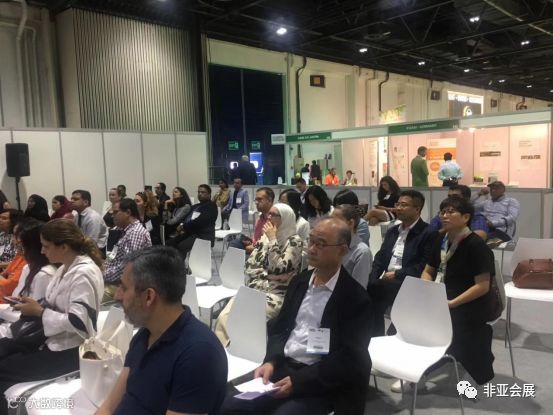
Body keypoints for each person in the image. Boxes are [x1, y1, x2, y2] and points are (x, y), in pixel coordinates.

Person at [221, 218, 373, 415]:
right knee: (229, 406)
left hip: (321, 380)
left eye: (321, 244)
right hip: (283, 366)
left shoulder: (355, 298)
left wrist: (299, 382)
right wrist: (271, 361)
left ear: (342, 250)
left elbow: (348, 359)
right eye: (311, 241)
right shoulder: (299, 283)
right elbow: (279, 329)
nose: (311, 249)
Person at [97, 246, 227, 415]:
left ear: (148, 296)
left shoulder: (199, 355)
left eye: (124, 288)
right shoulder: (144, 335)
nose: (117, 296)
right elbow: (109, 406)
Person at [0, 219, 104, 412]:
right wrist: (34, 305)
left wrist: (40, 311)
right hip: (50, 340)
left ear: (63, 247)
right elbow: (55, 305)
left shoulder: (84, 273)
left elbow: (79, 322)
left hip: (69, 351)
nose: (42, 251)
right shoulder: (65, 268)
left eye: (46, 246)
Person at [421, 197, 495, 385]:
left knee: (441, 326)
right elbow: (428, 270)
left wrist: (452, 303)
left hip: (469, 303)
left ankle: (422, 370)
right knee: (409, 316)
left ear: (466, 217)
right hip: (441, 297)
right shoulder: (441, 239)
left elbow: (482, 286)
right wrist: (427, 290)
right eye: (442, 212)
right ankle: (413, 364)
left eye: (451, 211)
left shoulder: (476, 245)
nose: (444, 216)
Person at [215, 203, 303, 345]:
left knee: (246, 321)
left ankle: (242, 350)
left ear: (285, 218)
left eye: (274, 215)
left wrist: (273, 239)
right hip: (254, 288)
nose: (269, 217)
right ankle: (223, 350)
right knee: (224, 317)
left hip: (275, 295)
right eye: (269, 213)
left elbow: (279, 268)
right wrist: (270, 275)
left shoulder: (294, 241)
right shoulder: (264, 238)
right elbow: (250, 266)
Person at [367, 190, 435, 336]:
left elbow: (424, 266)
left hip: (409, 282)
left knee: (377, 291)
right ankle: (375, 338)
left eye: (404, 205)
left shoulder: (428, 233)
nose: (398, 208)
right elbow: (380, 258)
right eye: (397, 204)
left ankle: (393, 335)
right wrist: (372, 277)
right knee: (368, 290)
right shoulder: (393, 231)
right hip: (387, 282)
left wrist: (397, 274)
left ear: (417, 209)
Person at [104, 199, 152, 300]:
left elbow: (128, 267)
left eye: (116, 212)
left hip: (123, 284)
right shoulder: (122, 230)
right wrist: (104, 266)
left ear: (128, 213)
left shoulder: (135, 233)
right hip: (115, 277)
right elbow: (113, 255)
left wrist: (104, 275)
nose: (112, 216)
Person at [1, 220, 55, 308]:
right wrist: (16, 300)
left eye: (21, 245)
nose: (17, 247)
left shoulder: (44, 275)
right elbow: (17, 295)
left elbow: (36, 311)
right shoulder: (27, 267)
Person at [167, 184, 218, 257]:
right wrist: (182, 225)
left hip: (203, 236)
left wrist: (183, 227)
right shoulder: (196, 206)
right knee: (170, 243)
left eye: (203, 192)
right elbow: (186, 218)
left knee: (181, 246)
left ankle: (179, 264)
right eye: (199, 192)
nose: (200, 194)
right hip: (191, 233)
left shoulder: (211, 206)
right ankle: (171, 262)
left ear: (209, 194)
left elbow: (199, 221)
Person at [332, 205, 372, 289]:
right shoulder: (331, 245)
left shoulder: (362, 252)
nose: (331, 225)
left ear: (350, 223)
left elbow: (359, 289)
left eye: (336, 222)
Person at [229, 187, 273, 254]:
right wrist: (250, 241)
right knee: (235, 242)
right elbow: (256, 237)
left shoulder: (273, 219)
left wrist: (252, 247)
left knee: (235, 247)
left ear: (269, 200)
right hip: (254, 245)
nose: (256, 202)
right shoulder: (260, 218)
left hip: (263, 250)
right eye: (256, 200)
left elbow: (269, 244)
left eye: (260, 199)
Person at [0, 219, 29, 302]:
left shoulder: (28, 262)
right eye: (14, 235)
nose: (14, 240)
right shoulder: (19, 254)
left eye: (17, 236)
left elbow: (9, 286)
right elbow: (6, 273)